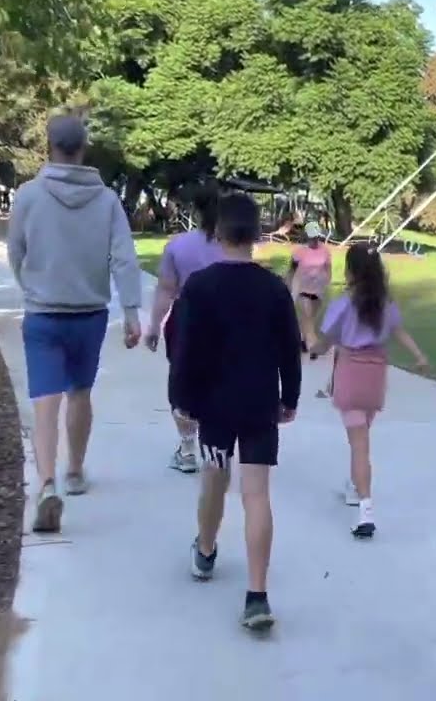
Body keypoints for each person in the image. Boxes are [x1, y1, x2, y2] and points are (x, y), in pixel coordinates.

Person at [168, 192, 302, 632]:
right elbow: (290, 350)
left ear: (219, 232)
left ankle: (205, 550)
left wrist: (181, 398)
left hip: (215, 407)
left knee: (213, 477)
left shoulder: (200, 287)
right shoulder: (273, 288)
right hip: (259, 402)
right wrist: (291, 397)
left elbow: (184, 349)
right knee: (257, 493)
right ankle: (257, 595)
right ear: (257, 234)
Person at [8, 114, 144, 534]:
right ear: (84, 148)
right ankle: (75, 471)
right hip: (89, 313)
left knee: (45, 401)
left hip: (44, 311)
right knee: (81, 392)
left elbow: (16, 250)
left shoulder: (28, 195)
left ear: (48, 146)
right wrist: (133, 311)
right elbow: (124, 256)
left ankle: (46, 482)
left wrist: (30, 284)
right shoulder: (106, 200)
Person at [309, 243, 428, 538]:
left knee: (359, 444)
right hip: (375, 375)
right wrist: (419, 356)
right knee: (362, 437)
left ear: (350, 271)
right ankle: (354, 484)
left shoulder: (344, 303)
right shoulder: (384, 303)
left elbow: (323, 342)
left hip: (350, 372)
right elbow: (399, 331)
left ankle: (365, 510)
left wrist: (310, 332)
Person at [145, 186, 226, 473]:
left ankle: (188, 447)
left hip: (186, 319)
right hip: (223, 319)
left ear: (195, 211)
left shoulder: (178, 246)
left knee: (181, 382)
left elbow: (166, 290)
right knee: (219, 380)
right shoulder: (231, 247)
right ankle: (216, 444)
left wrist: (154, 326)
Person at [286, 219, 332, 356]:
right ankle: (313, 345)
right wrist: (289, 287)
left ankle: (301, 340)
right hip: (302, 289)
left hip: (318, 290)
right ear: (306, 236)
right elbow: (291, 271)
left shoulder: (325, 251)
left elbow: (328, 269)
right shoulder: (299, 252)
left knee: (310, 318)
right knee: (307, 317)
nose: (314, 240)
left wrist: (327, 281)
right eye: (312, 237)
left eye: (316, 237)